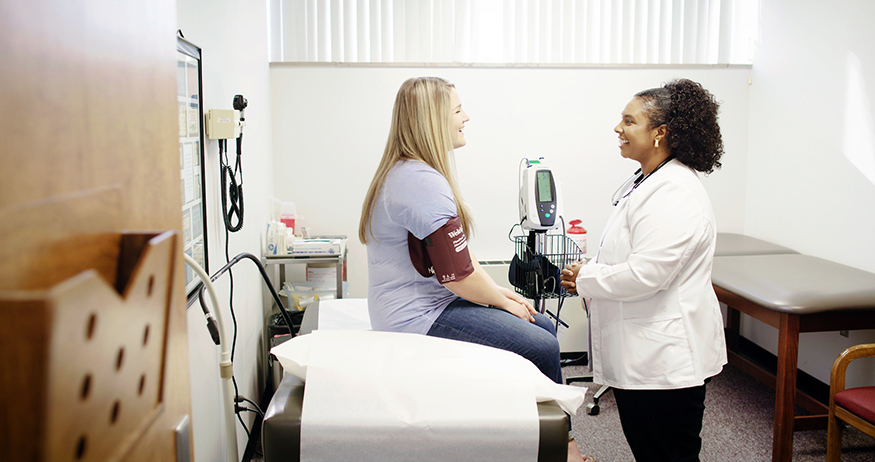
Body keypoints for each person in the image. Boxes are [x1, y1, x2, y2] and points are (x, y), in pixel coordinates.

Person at [359, 76, 591, 462]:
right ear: (432, 119)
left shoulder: (409, 172)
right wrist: (504, 306)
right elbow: (458, 276)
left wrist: (500, 294)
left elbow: (461, 260)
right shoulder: (419, 182)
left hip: (429, 302)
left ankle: (526, 437)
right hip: (416, 316)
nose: (466, 117)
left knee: (541, 323)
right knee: (544, 342)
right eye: (457, 110)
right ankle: (563, 448)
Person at [560, 78, 728, 462]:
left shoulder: (674, 193)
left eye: (628, 121)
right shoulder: (649, 182)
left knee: (669, 455)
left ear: (660, 133)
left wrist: (586, 277)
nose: (618, 129)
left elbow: (647, 274)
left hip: (665, 363)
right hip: (647, 356)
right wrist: (591, 272)